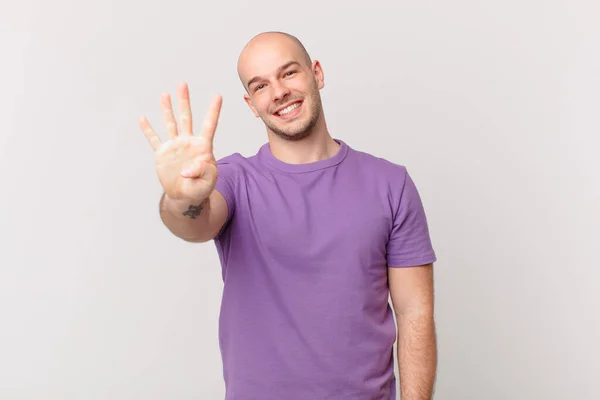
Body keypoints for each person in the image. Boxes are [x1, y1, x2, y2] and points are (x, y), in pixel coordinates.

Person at [139, 31, 438, 400]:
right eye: (261, 85)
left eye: (289, 73)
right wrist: (181, 196)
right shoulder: (233, 179)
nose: (278, 91)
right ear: (251, 104)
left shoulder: (391, 183)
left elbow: (415, 314)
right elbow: (194, 223)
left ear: (317, 74)